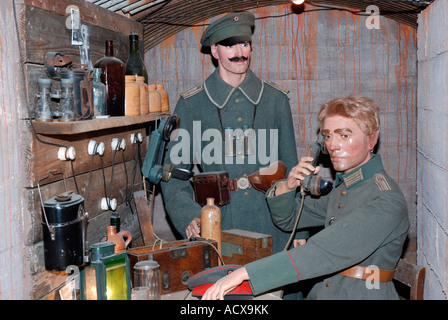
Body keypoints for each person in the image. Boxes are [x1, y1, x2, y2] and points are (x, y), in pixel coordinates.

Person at [202, 96, 410, 300]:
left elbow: (325, 251)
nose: (333, 146)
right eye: (327, 136)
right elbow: (289, 220)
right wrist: (287, 186)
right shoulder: (344, 189)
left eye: (344, 135)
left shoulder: (385, 199)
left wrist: (245, 274)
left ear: (371, 139)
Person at [160, 11, 308, 255]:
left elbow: (292, 168)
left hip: (274, 222)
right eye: (229, 46)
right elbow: (174, 175)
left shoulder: (275, 100)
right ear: (214, 51)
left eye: (244, 44)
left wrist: (299, 229)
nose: (240, 52)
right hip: (219, 225)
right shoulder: (192, 104)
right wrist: (188, 217)